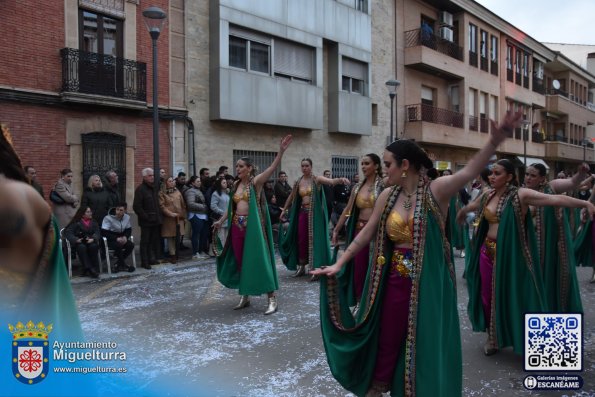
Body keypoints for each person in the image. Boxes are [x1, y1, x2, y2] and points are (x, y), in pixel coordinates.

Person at [312, 111, 523, 397]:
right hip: (394, 279)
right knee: (387, 335)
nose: (384, 170)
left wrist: (495, 140)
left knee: (423, 342)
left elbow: (469, 172)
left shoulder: (436, 191)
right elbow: (367, 232)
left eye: (387, 164)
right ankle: (379, 386)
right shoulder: (388, 196)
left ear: (405, 165)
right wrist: (340, 263)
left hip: (428, 283)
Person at [457, 159, 595, 357]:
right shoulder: (488, 194)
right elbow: (473, 205)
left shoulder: (520, 195)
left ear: (510, 177)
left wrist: (584, 203)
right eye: (492, 173)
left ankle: (530, 337)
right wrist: (463, 211)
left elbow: (554, 200)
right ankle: (492, 337)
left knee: (516, 295)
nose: (492, 176)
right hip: (487, 252)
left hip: (511, 255)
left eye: (497, 173)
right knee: (487, 297)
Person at [213, 135, 293, 315]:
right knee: (242, 262)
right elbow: (231, 208)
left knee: (259, 261)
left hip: (252, 230)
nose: (238, 168)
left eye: (241, 166)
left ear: (249, 169)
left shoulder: (255, 183)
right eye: (237, 166)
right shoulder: (234, 185)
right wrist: (221, 221)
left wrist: (280, 152)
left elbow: (272, 169)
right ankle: (245, 295)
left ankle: (272, 297)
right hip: (236, 227)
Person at [523, 162, 589, 313]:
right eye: (527, 174)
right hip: (530, 248)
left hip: (553, 247)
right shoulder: (520, 193)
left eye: (533, 175)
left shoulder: (551, 188)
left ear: (542, 178)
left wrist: (581, 174)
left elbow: (572, 182)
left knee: (556, 279)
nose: (528, 178)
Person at [279, 158, 349, 281]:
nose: (304, 168)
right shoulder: (298, 181)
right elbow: (292, 196)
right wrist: (284, 209)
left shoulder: (316, 179)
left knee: (315, 241)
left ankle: (314, 269)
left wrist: (340, 180)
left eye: (307, 165)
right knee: (301, 239)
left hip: (315, 215)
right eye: (303, 166)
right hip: (302, 213)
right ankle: (301, 267)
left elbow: (331, 181)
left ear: (311, 167)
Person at [331, 153, 384, 312]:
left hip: (377, 234)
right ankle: (361, 302)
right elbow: (348, 210)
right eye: (362, 164)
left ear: (376, 166)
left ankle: (375, 303)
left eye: (367, 163)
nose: (363, 167)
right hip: (359, 231)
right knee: (359, 268)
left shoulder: (383, 186)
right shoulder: (357, 188)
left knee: (376, 268)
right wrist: (336, 229)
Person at [133, 167, 163, 269]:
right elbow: (137, 206)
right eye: (150, 175)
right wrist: (146, 217)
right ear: (144, 177)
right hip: (146, 221)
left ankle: (151, 259)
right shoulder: (140, 189)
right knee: (145, 242)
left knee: (152, 241)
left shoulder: (154, 188)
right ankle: (144, 261)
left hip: (155, 220)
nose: (152, 177)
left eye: (153, 175)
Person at [64, 206, 102, 278]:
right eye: (88, 212)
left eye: (90, 211)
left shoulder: (94, 222)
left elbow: (98, 232)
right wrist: (76, 239)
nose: (90, 213)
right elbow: (69, 232)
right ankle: (90, 269)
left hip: (91, 241)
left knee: (93, 246)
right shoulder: (76, 222)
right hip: (80, 242)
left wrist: (93, 239)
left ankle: (93, 268)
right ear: (82, 214)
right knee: (82, 247)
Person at [159, 176, 187, 264]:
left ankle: (177, 253)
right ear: (166, 183)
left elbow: (183, 204)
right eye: (170, 181)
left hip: (179, 218)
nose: (172, 182)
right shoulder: (162, 193)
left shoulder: (177, 191)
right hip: (169, 219)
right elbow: (162, 206)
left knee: (177, 236)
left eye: (172, 181)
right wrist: (170, 214)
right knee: (170, 237)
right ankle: (172, 255)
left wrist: (183, 215)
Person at [101, 203, 135, 273]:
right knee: (118, 245)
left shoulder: (127, 217)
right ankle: (123, 265)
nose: (118, 212)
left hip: (122, 236)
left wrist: (125, 237)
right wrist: (116, 238)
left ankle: (118, 264)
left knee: (130, 245)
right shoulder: (108, 218)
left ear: (125, 211)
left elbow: (128, 229)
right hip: (111, 238)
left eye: (121, 210)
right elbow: (104, 232)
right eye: (117, 209)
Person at [185, 175, 210, 259]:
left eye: (200, 181)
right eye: (197, 181)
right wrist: (204, 207)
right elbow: (190, 204)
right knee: (196, 234)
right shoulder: (191, 191)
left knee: (203, 234)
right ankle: (195, 253)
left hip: (202, 215)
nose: (199, 183)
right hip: (196, 215)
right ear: (192, 183)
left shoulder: (198, 190)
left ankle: (200, 251)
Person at [210, 177, 230, 249]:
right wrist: (223, 212)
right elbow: (213, 206)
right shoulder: (215, 194)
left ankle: (226, 252)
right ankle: (221, 252)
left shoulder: (227, 193)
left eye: (226, 182)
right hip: (220, 218)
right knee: (221, 237)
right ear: (219, 184)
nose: (226, 184)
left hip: (228, 219)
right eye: (224, 183)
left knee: (227, 237)